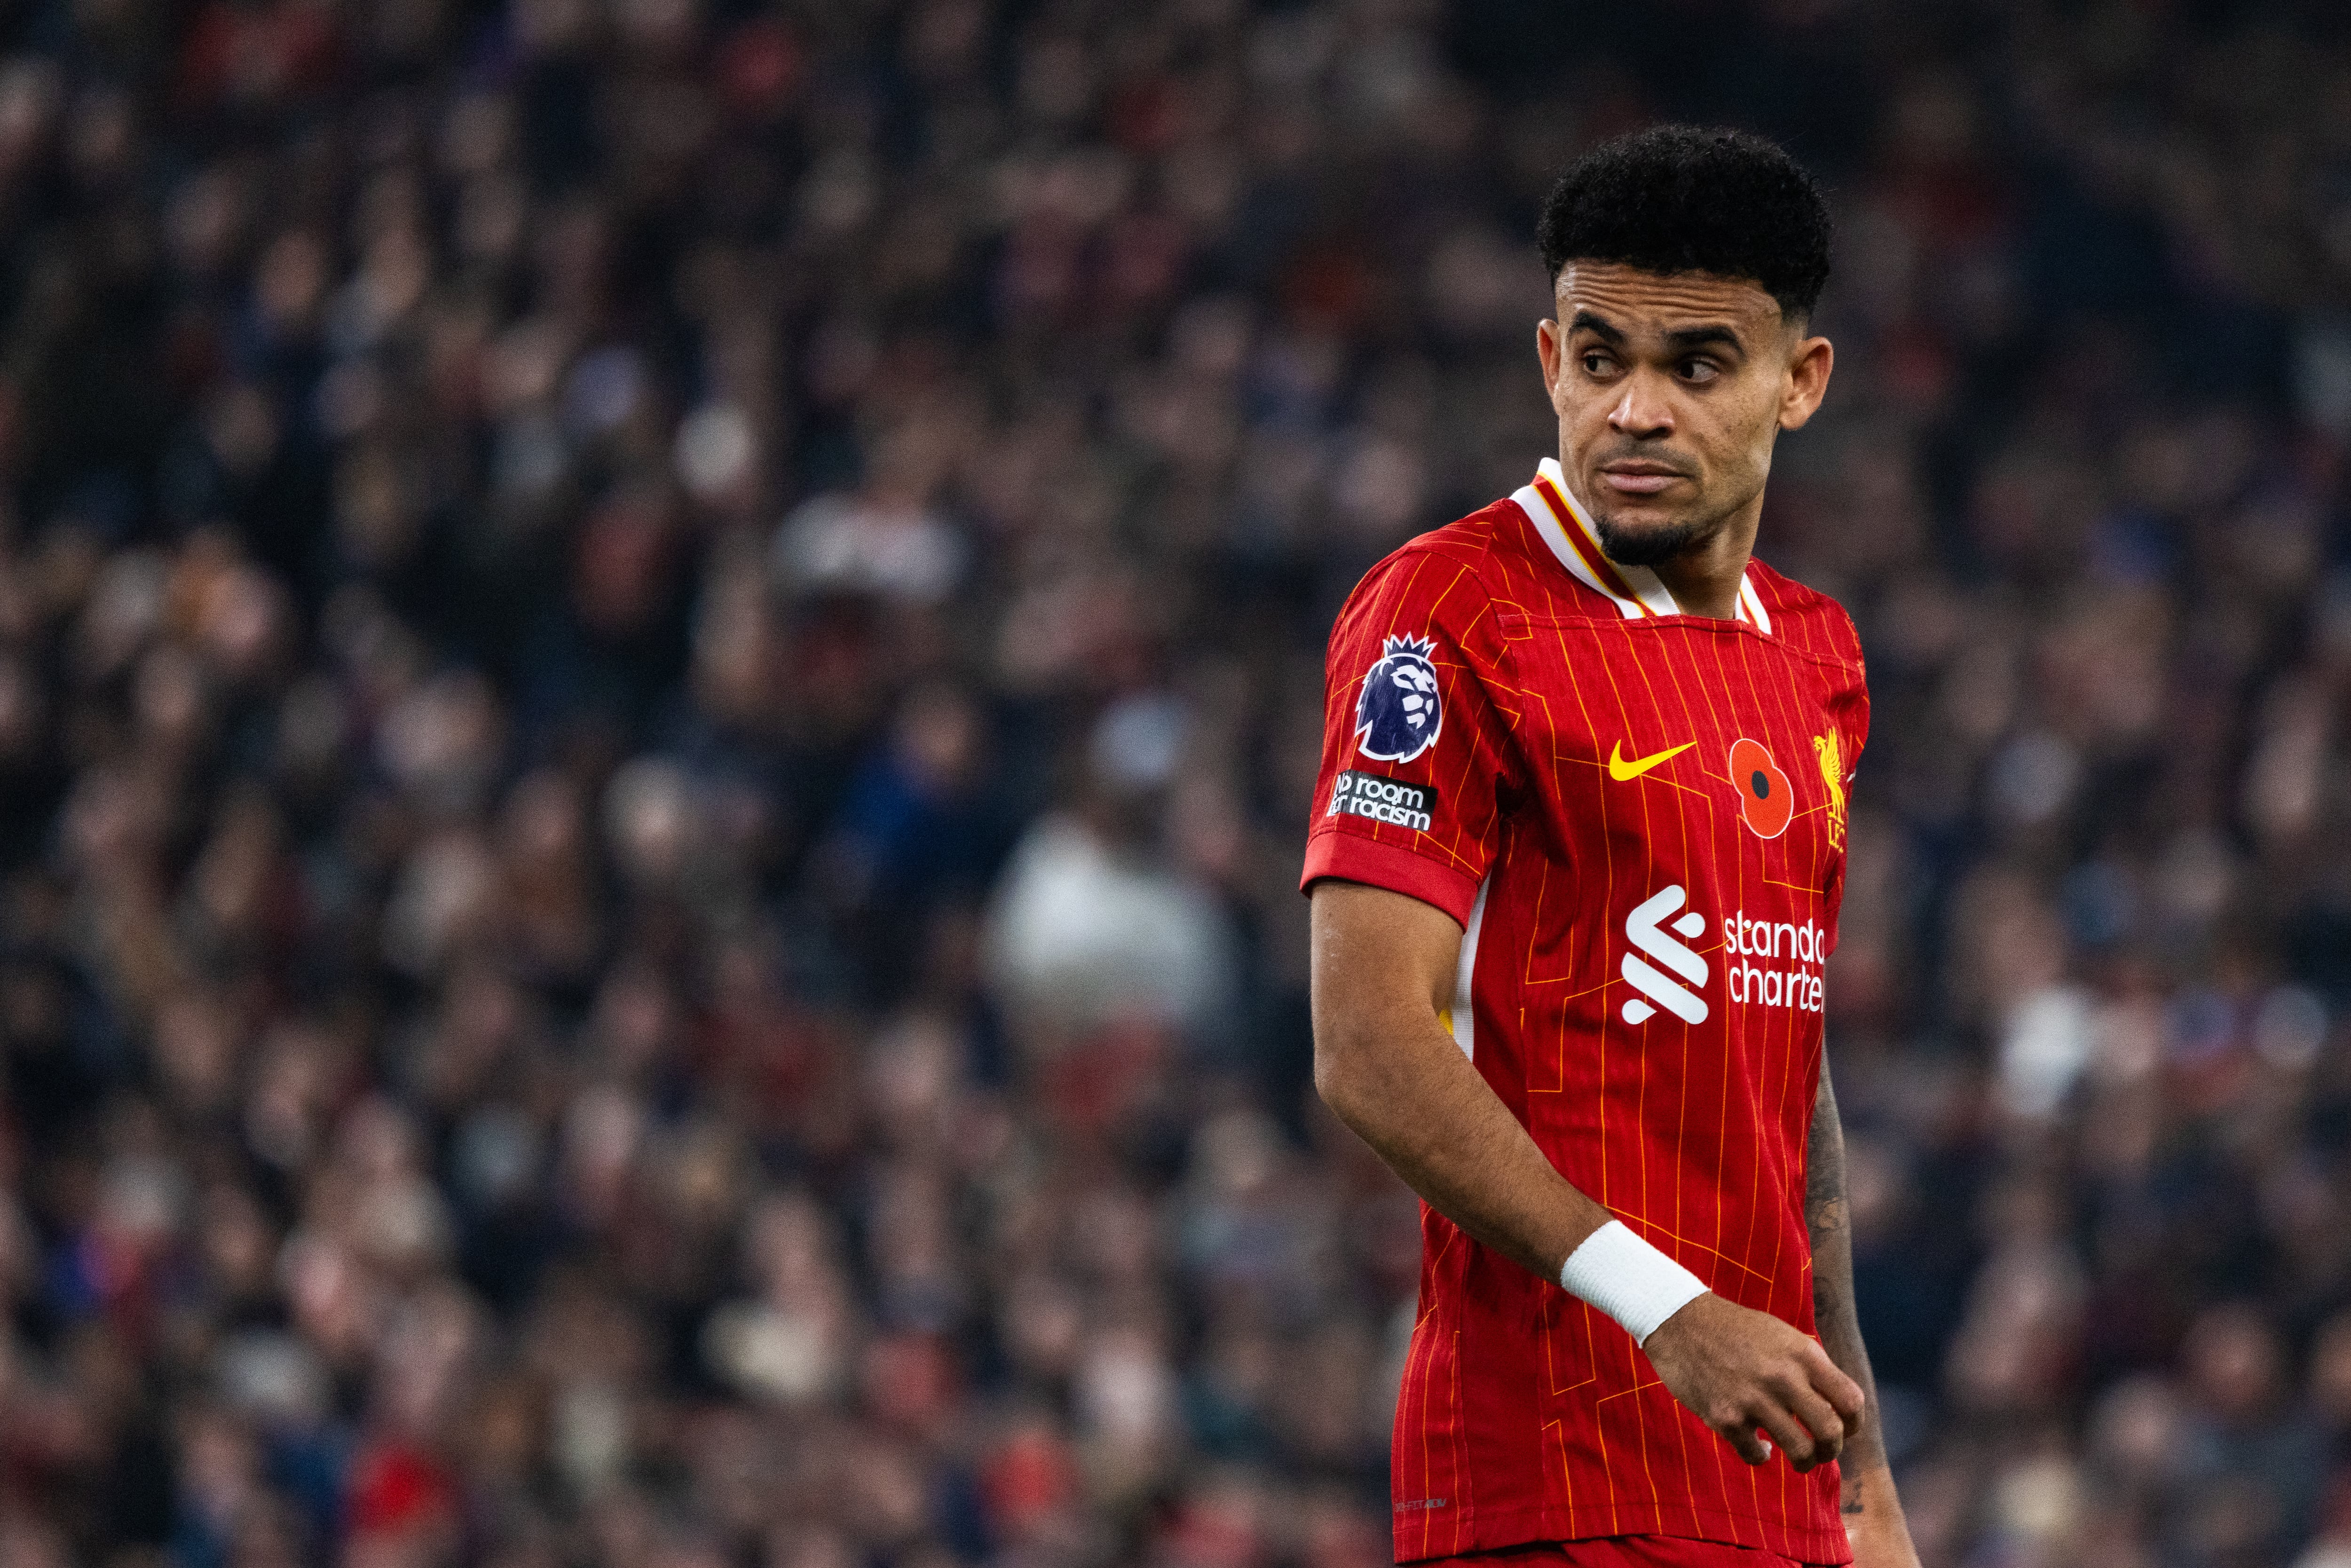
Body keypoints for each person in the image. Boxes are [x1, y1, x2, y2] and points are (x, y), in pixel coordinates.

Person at [1302, 126, 1920, 1568]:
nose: (1633, 410)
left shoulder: (1817, 656)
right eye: (1599, 358)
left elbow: (1786, 1081)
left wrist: (1862, 1476)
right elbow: (1368, 1042)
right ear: (1548, 360)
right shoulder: (1449, 612)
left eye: (1697, 366)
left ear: (1800, 384)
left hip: (1767, 1476)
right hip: (1554, 1475)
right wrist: (1672, 1313)